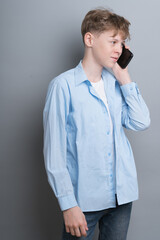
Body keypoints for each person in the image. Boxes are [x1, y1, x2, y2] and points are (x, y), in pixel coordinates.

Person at [43, 8, 150, 240]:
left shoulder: (115, 85)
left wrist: (124, 78)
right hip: (83, 203)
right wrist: (68, 205)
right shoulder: (63, 87)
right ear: (89, 39)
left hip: (121, 198)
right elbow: (55, 154)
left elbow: (141, 121)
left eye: (121, 43)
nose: (119, 49)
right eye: (113, 41)